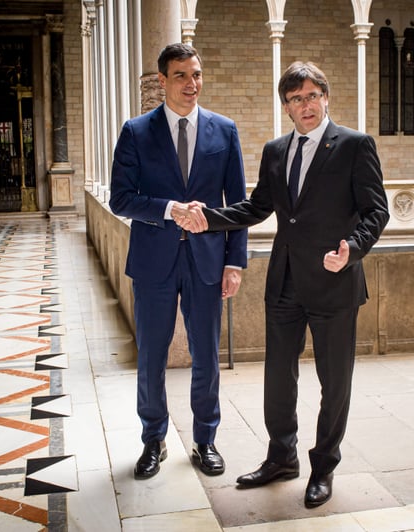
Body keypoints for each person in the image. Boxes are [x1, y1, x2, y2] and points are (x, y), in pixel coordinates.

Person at [176, 61, 389, 508]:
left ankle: (323, 467)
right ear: (286, 107)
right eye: (296, 99)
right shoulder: (275, 151)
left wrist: (353, 248)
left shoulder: (354, 145)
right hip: (285, 283)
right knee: (277, 378)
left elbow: (377, 211)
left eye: (312, 96)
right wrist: (207, 218)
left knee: (335, 383)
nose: (306, 105)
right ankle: (281, 458)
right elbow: (256, 208)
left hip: (334, 282)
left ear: (326, 98)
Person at [109, 42, 247, 480]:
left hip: (208, 261)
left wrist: (234, 262)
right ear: (163, 80)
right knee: (151, 354)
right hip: (154, 262)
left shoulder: (224, 131)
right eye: (182, 75)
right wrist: (170, 209)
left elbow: (238, 205)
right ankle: (154, 439)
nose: (192, 83)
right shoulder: (136, 132)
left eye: (197, 74)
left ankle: (205, 440)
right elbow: (120, 199)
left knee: (206, 353)